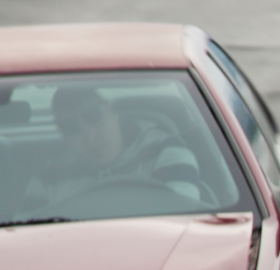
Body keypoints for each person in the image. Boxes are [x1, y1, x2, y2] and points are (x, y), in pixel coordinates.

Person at [26, 84, 203, 211]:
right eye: (71, 128)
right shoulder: (48, 179)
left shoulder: (167, 154)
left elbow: (180, 232)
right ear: (64, 137)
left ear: (112, 111)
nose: (90, 136)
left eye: (93, 116)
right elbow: (29, 244)